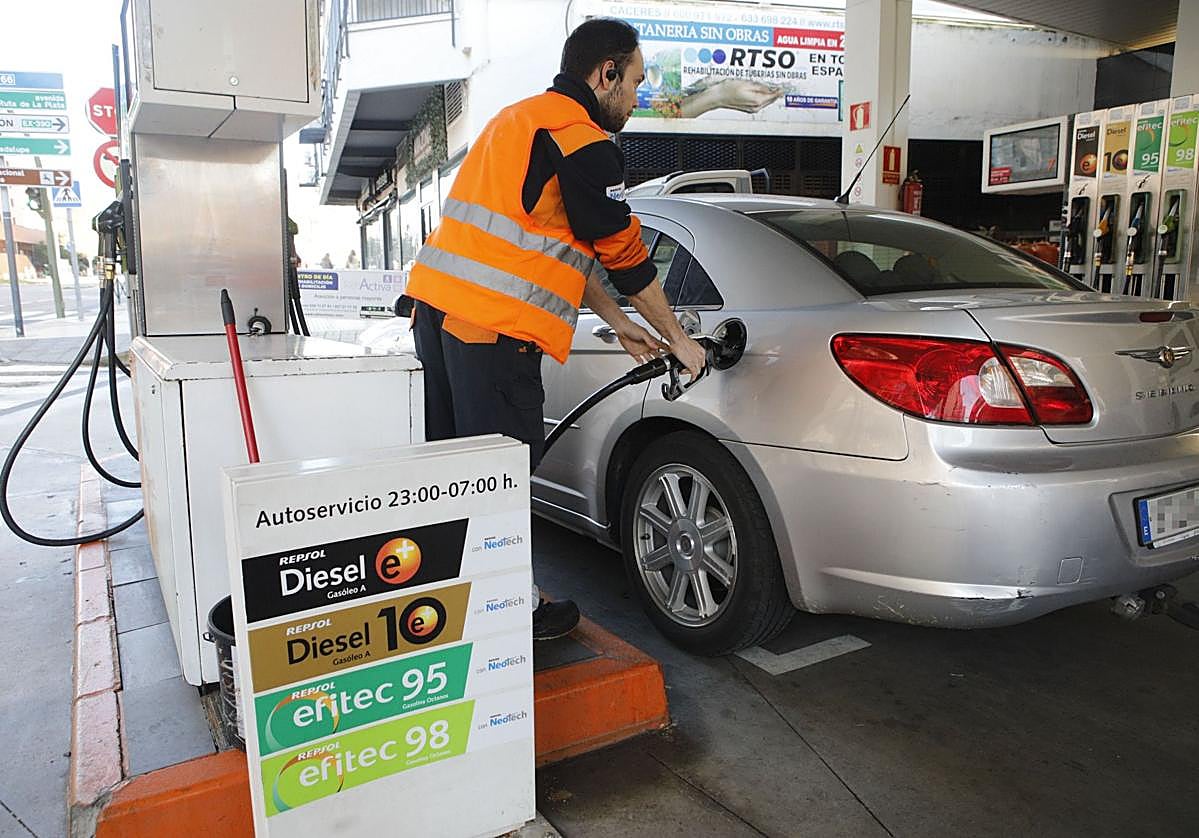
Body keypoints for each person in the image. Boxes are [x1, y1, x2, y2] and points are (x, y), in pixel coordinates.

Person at [404, 17, 707, 641]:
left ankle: (454, 605)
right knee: (498, 478)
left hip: (437, 317)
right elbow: (622, 252)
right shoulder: (583, 139)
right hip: (492, 333)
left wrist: (619, 321)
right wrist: (680, 340)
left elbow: (552, 246)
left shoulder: (516, 120)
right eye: (635, 81)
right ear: (606, 74)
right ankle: (510, 614)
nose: (637, 96)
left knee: (455, 476)